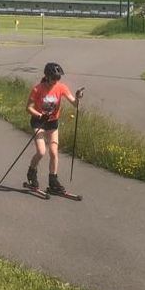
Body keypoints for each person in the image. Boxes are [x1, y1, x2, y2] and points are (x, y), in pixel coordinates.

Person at [26, 62, 83, 194]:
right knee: (41, 152)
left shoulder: (61, 87)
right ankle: (31, 172)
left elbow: (74, 104)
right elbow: (28, 108)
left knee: (53, 151)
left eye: (58, 78)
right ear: (47, 76)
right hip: (39, 122)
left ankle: (53, 181)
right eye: (54, 78)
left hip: (52, 123)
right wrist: (40, 115)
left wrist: (78, 97)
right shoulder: (38, 89)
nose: (56, 81)